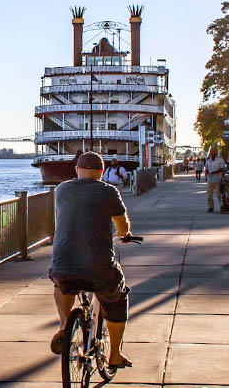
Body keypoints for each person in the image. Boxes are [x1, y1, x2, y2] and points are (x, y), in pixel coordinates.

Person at [48, 151, 134, 369]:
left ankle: (65, 322)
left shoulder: (61, 189)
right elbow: (122, 224)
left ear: (77, 170)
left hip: (63, 264)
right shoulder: (108, 191)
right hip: (98, 268)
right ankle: (115, 355)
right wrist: (124, 235)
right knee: (116, 299)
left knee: (62, 283)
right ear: (102, 172)